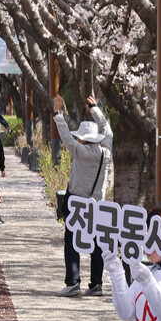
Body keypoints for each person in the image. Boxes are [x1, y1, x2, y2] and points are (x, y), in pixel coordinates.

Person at [52, 93, 111, 296]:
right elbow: (107, 129)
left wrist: (58, 114)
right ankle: (96, 284)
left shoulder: (80, 151)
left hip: (77, 201)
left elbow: (66, 136)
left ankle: (73, 282)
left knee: (72, 239)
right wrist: (95, 110)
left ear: (83, 139)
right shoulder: (106, 151)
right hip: (98, 203)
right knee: (96, 243)